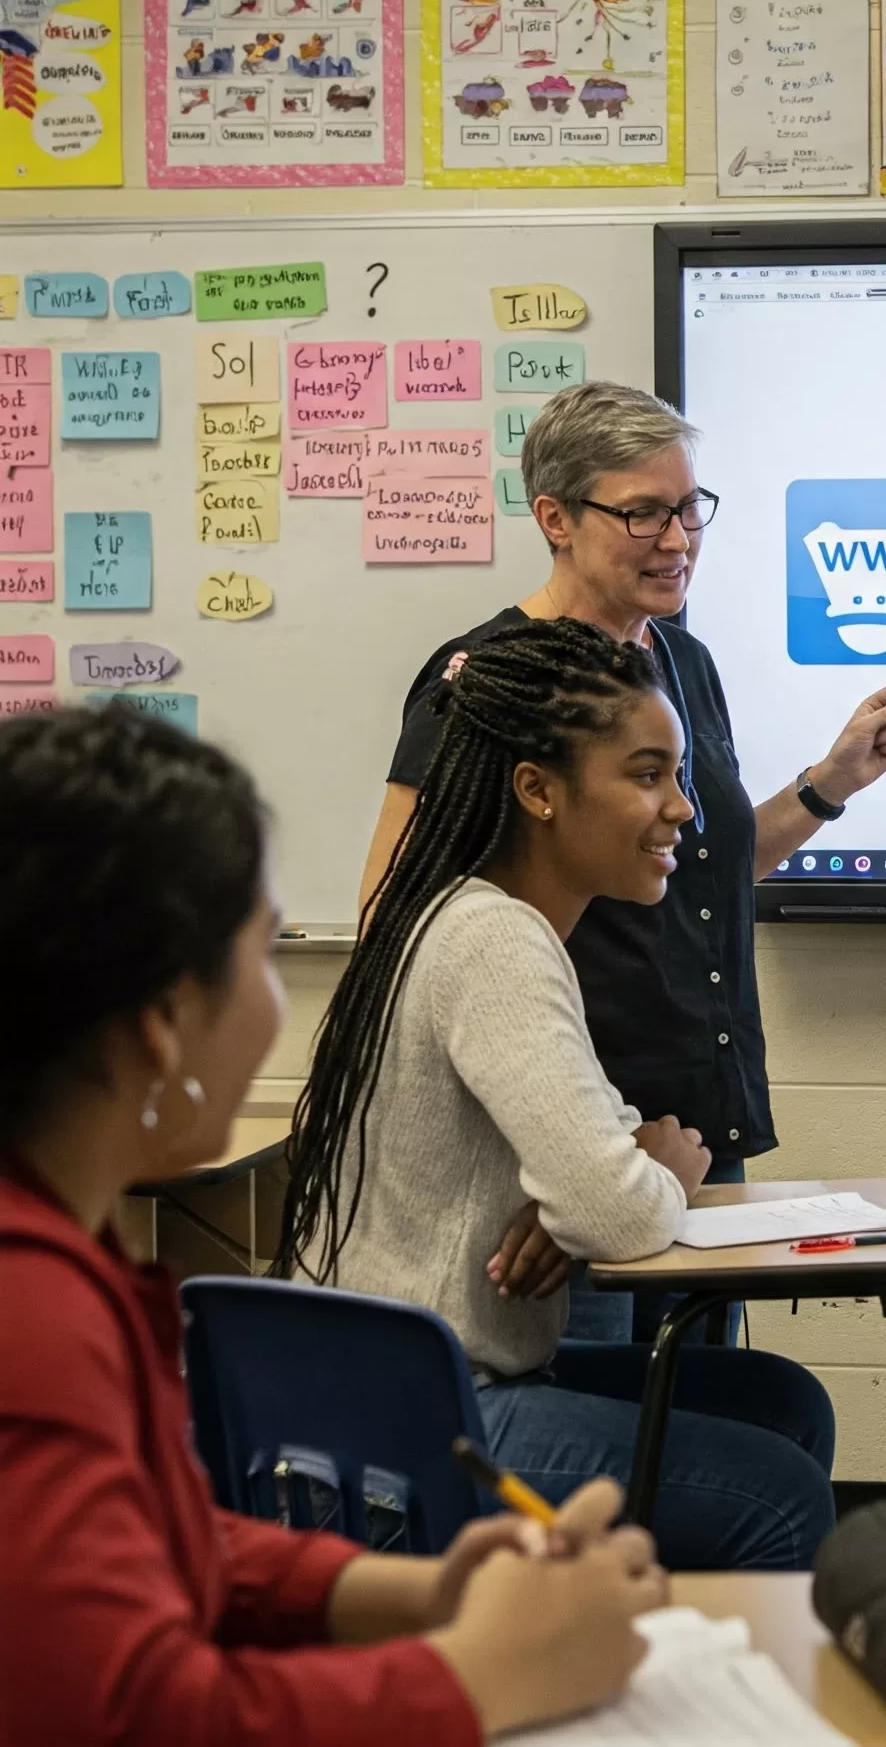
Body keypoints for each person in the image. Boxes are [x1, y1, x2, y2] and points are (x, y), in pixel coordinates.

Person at [0, 705, 663, 1745]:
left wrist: (415, 1590)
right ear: (161, 1024)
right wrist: (477, 1672)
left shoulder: (55, 1262)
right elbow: (145, 1715)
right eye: (264, 952)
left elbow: (166, 1541)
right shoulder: (30, 1319)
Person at [359, 383, 886, 1334]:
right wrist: (561, 1154)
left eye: (690, 507)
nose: (678, 538)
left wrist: (829, 785)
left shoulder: (681, 662)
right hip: (561, 1157)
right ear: (556, 520)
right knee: (614, 1445)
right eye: (643, 512)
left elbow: (697, 866)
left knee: (717, 1420)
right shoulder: (490, 681)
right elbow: (400, 928)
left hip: (696, 1136)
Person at [280, 619, 838, 1573]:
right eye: (648, 775)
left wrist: (622, 1172)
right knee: (774, 1498)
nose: (686, 812)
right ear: (538, 791)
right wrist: (652, 1168)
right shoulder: (495, 941)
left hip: (388, 1394)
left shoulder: (473, 917)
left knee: (782, 1404)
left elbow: (596, 1159)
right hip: (411, 1428)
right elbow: (613, 1204)